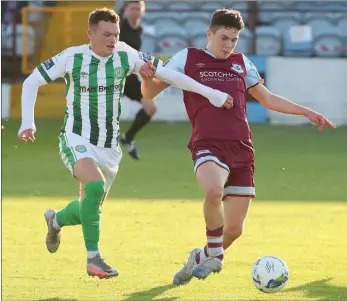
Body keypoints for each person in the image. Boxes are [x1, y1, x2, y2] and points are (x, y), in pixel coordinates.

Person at [17, 8, 232, 280]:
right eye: (106, 34)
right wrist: (28, 122)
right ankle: (94, 260)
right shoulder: (72, 57)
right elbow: (32, 80)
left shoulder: (125, 54)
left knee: (89, 211)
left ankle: (55, 220)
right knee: (93, 186)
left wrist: (210, 93)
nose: (112, 39)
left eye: (115, 34)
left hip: (109, 147)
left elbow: (169, 74)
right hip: (76, 136)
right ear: (90, 34)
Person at [141, 8, 336, 285]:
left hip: (242, 148)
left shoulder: (241, 62)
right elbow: (150, 92)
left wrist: (306, 112)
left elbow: (268, 99)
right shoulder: (188, 58)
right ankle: (216, 258)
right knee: (212, 190)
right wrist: (148, 77)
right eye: (223, 38)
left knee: (233, 230)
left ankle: (200, 257)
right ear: (209, 33)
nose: (228, 45)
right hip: (207, 143)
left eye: (233, 39)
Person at [117, 1, 153, 160]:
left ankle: (128, 137)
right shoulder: (118, 26)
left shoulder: (140, 30)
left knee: (150, 107)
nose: (136, 11)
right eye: (133, 8)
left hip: (130, 77)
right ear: (126, 10)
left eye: (139, 8)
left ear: (143, 11)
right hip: (114, 76)